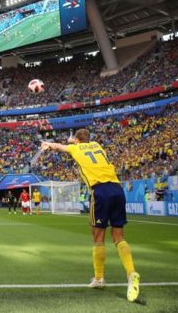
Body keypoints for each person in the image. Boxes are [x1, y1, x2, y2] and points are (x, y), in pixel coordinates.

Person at [41, 128, 140, 302]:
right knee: (118, 236)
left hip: (100, 191)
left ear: (77, 141)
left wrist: (48, 145)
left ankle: (99, 278)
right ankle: (131, 273)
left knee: (98, 235)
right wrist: (74, 141)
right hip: (117, 189)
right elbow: (80, 144)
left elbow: (59, 147)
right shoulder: (97, 146)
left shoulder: (75, 148)